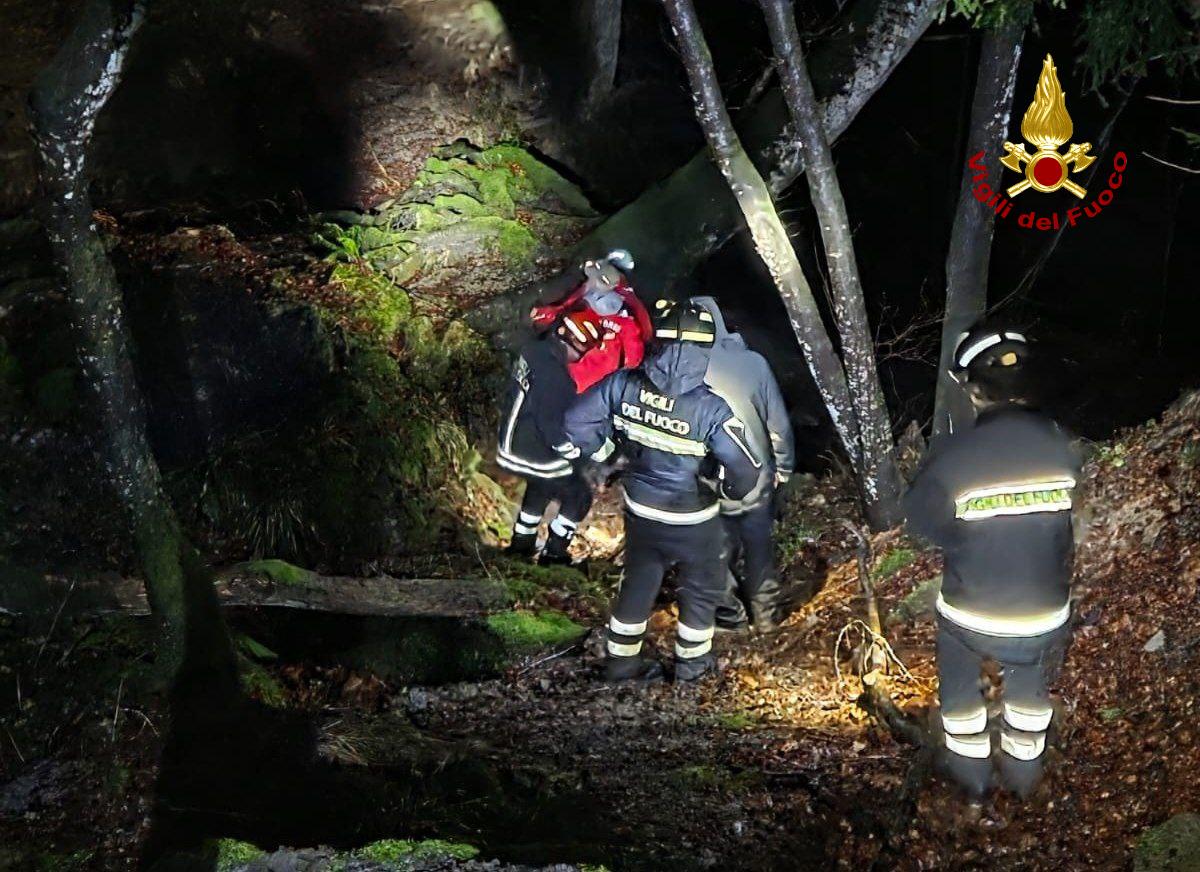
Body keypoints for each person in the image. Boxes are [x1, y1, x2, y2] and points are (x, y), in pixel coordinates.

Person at [904, 324, 1082, 799]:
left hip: (972, 614)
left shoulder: (953, 456)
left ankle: (973, 778)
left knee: (957, 662)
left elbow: (922, 527)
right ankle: (1025, 778)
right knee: (1030, 675)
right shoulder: (1062, 447)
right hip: (1045, 615)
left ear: (972, 388)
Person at [556, 299, 762, 682]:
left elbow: (575, 421)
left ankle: (620, 666)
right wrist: (729, 491)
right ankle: (692, 669)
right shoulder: (712, 409)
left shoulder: (623, 383)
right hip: (693, 518)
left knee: (638, 580)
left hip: (641, 509)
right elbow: (745, 467)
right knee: (700, 590)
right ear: (704, 350)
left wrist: (607, 453)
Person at [689, 296, 796, 633]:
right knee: (759, 545)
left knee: (713, 548)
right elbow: (777, 423)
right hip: (756, 475)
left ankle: (730, 618)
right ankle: (766, 617)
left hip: (704, 477)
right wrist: (785, 467)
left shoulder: (678, 368)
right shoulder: (753, 363)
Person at [497, 309, 607, 565]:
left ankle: (521, 543)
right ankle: (555, 553)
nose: (578, 359)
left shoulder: (533, 350)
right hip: (530, 452)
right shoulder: (557, 377)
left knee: (542, 482)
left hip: (511, 441)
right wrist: (577, 454)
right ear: (574, 344)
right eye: (581, 352)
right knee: (579, 492)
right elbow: (551, 425)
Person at [530, 249, 652, 394]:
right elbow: (635, 355)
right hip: (577, 372)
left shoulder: (623, 313)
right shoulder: (629, 312)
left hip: (567, 369)